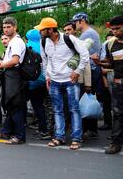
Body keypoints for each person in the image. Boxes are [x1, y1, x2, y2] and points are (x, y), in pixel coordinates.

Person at [36, 17, 89, 150]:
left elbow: (85, 54)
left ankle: (76, 138)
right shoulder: (43, 42)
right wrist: (47, 76)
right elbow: (45, 60)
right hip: (54, 81)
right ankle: (59, 137)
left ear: (50, 29)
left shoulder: (68, 39)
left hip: (70, 80)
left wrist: (77, 71)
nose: (40, 32)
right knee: (57, 110)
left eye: (42, 29)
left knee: (74, 109)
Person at [0, 17, 28, 145]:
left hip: (15, 76)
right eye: (4, 27)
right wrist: (2, 62)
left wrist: (1, 65)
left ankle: (20, 136)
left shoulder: (16, 42)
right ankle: (6, 131)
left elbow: (15, 61)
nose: (6, 29)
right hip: (11, 75)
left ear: (15, 27)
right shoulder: (13, 41)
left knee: (15, 105)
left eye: (9, 27)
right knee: (11, 105)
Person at [93, 15, 123, 154]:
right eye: (113, 29)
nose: (115, 32)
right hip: (118, 85)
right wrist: (99, 62)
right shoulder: (111, 44)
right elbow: (111, 63)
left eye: (118, 28)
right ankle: (115, 144)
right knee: (117, 113)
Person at [72, 12, 103, 140]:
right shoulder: (91, 33)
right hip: (92, 69)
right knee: (88, 98)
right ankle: (91, 129)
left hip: (90, 71)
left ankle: (88, 130)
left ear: (82, 20)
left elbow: (79, 53)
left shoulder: (87, 34)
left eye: (75, 22)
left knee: (84, 99)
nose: (74, 25)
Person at [25, 29, 51, 140]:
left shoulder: (27, 47)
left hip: (33, 81)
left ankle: (44, 130)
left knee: (37, 106)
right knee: (44, 106)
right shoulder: (44, 45)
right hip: (45, 80)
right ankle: (43, 128)